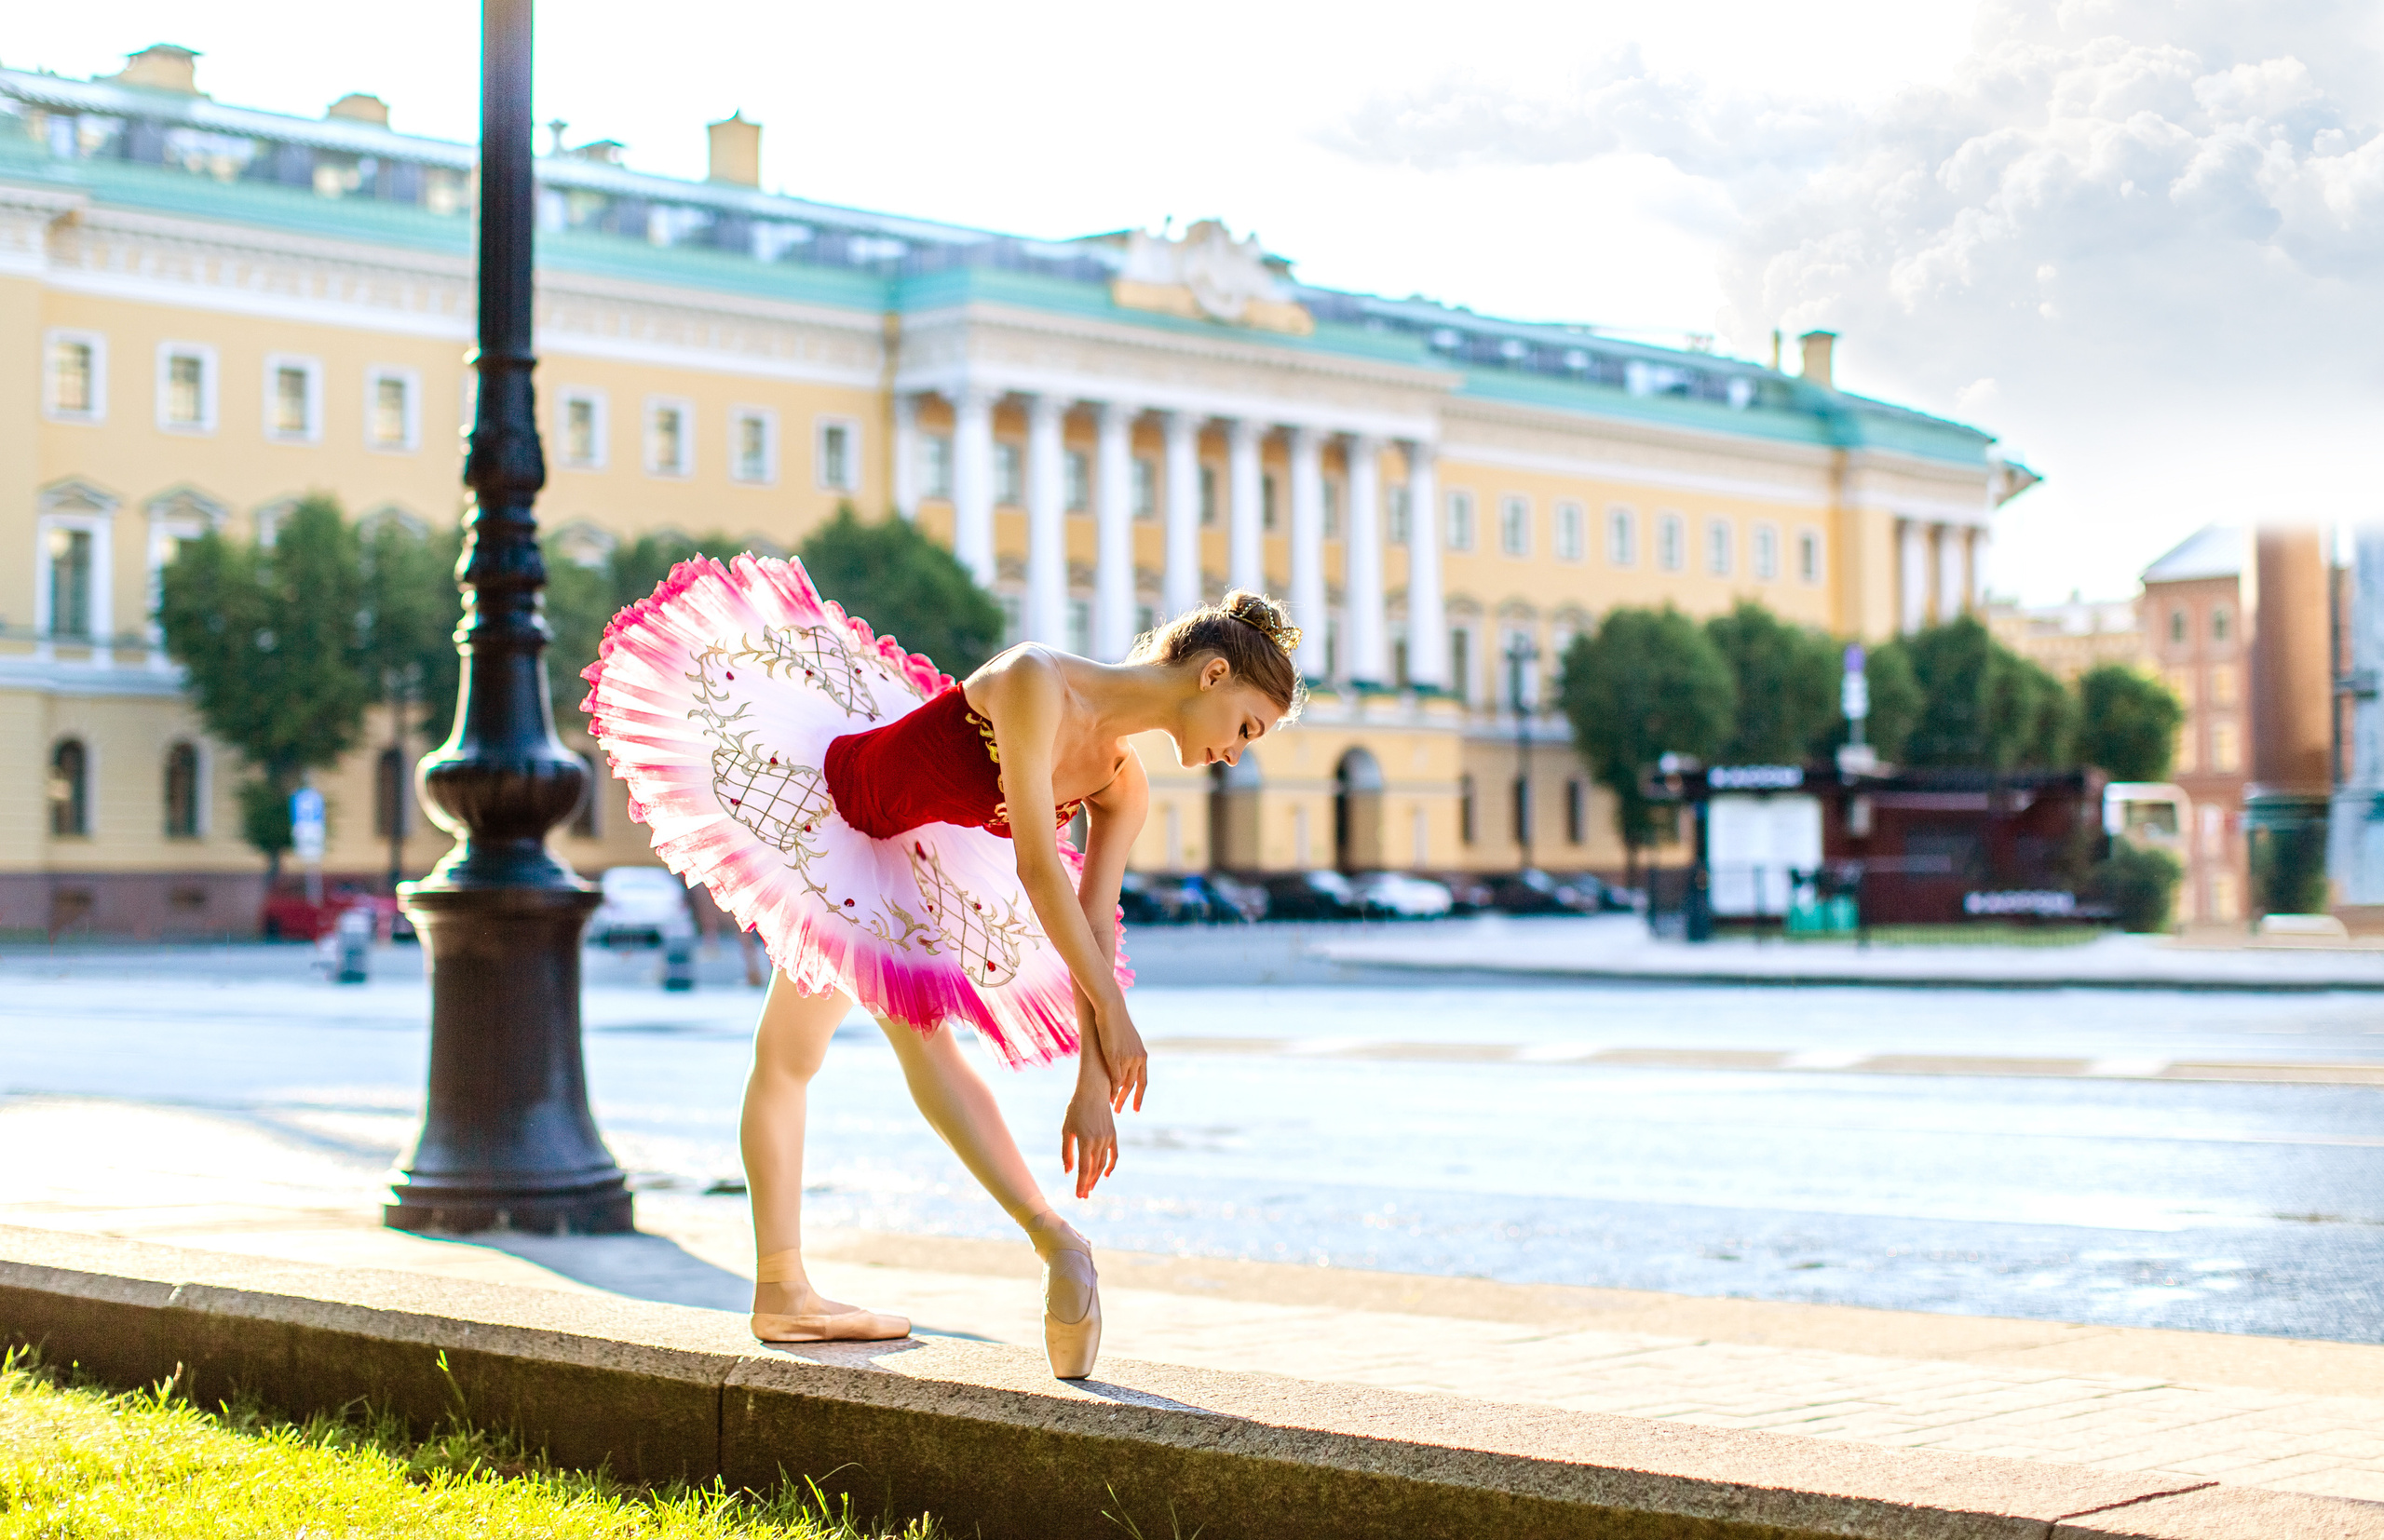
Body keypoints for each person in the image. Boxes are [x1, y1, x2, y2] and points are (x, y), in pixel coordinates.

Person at [582, 553, 1302, 1379]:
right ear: (1212, 676)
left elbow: (1096, 936)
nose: (1237, 753)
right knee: (806, 1055)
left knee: (822, 1054)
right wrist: (1119, 1019)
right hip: (835, 808)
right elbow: (1038, 868)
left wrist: (1090, 1088)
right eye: (1246, 728)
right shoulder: (1038, 679)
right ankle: (1015, 1250)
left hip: (915, 851)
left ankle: (821, 1283)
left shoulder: (1122, 787)